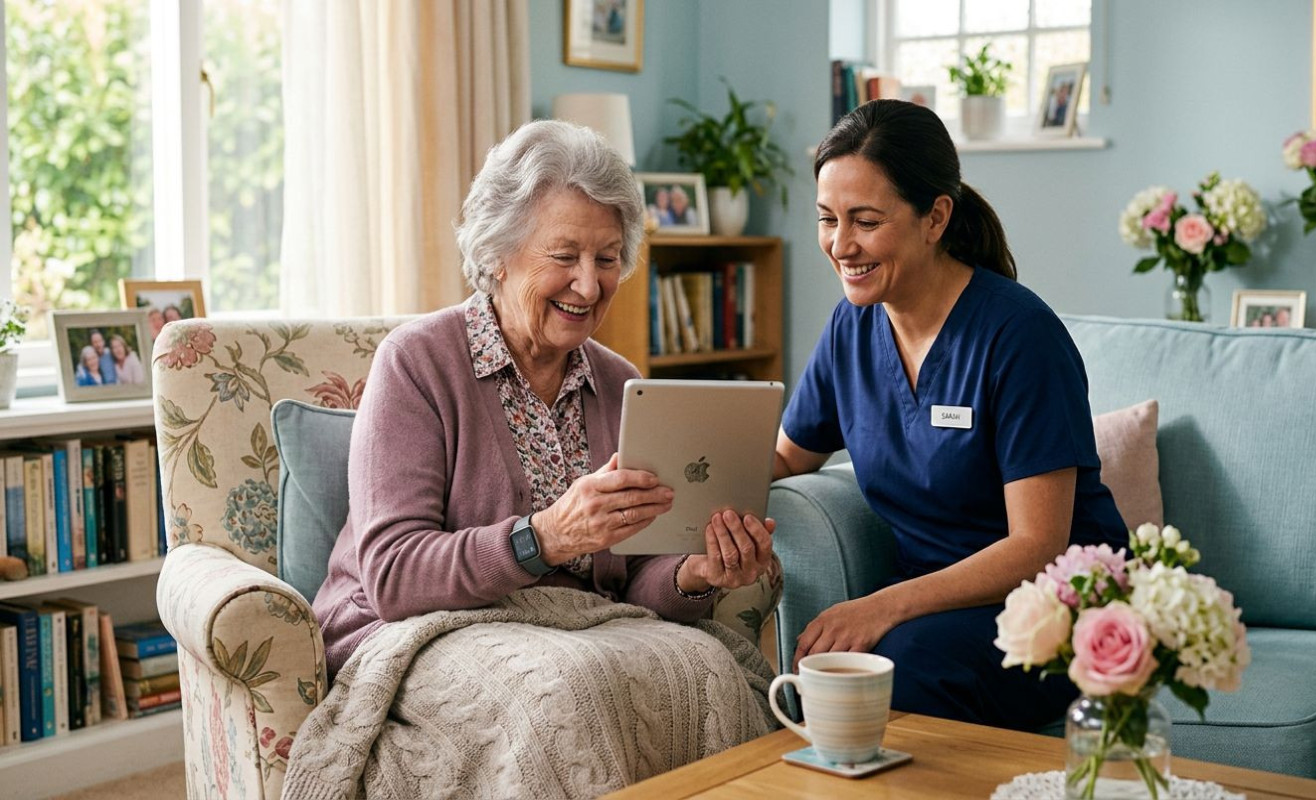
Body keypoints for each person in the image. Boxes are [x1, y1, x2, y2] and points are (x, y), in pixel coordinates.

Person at [313, 118, 775, 679]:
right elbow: (394, 576)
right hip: (417, 631)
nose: (589, 285)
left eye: (607, 259)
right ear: (497, 255)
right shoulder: (415, 363)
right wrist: (547, 536)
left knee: (713, 671)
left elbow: (632, 581)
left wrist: (693, 572)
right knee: (564, 687)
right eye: (564, 255)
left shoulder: (620, 383)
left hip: (574, 635)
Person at [774, 99, 1127, 732]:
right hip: (936, 608)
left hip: (1056, 606)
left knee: (896, 670)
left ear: (935, 217)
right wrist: (675, 474)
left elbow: (1036, 546)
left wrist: (884, 606)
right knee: (828, 675)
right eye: (827, 219)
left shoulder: (1020, 335)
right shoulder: (851, 328)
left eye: (866, 221)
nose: (841, 245)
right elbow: (783, 458)